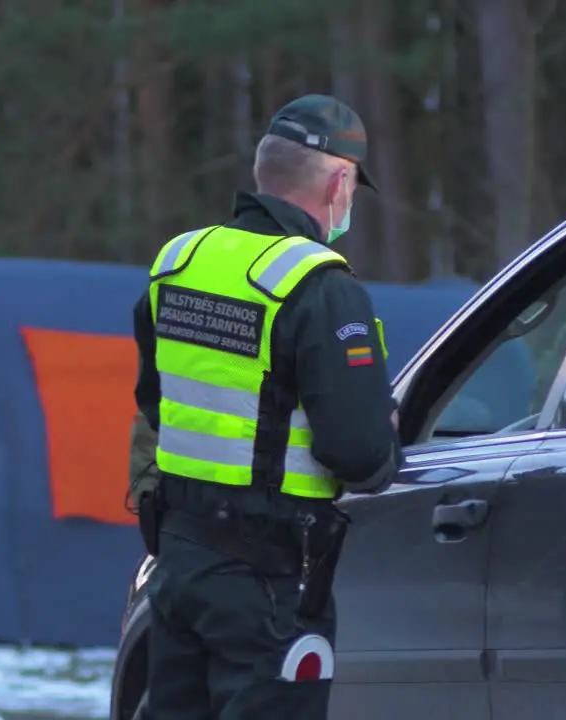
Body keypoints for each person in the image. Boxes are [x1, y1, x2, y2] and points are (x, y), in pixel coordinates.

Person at [129, 94, 402, 719]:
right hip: (271, 577)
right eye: (355, 186)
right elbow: (357, 454)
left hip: (179, 560)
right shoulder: (320, 285)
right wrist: (384, 439)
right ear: (339, 181)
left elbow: (157, 401)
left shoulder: (179, 263)